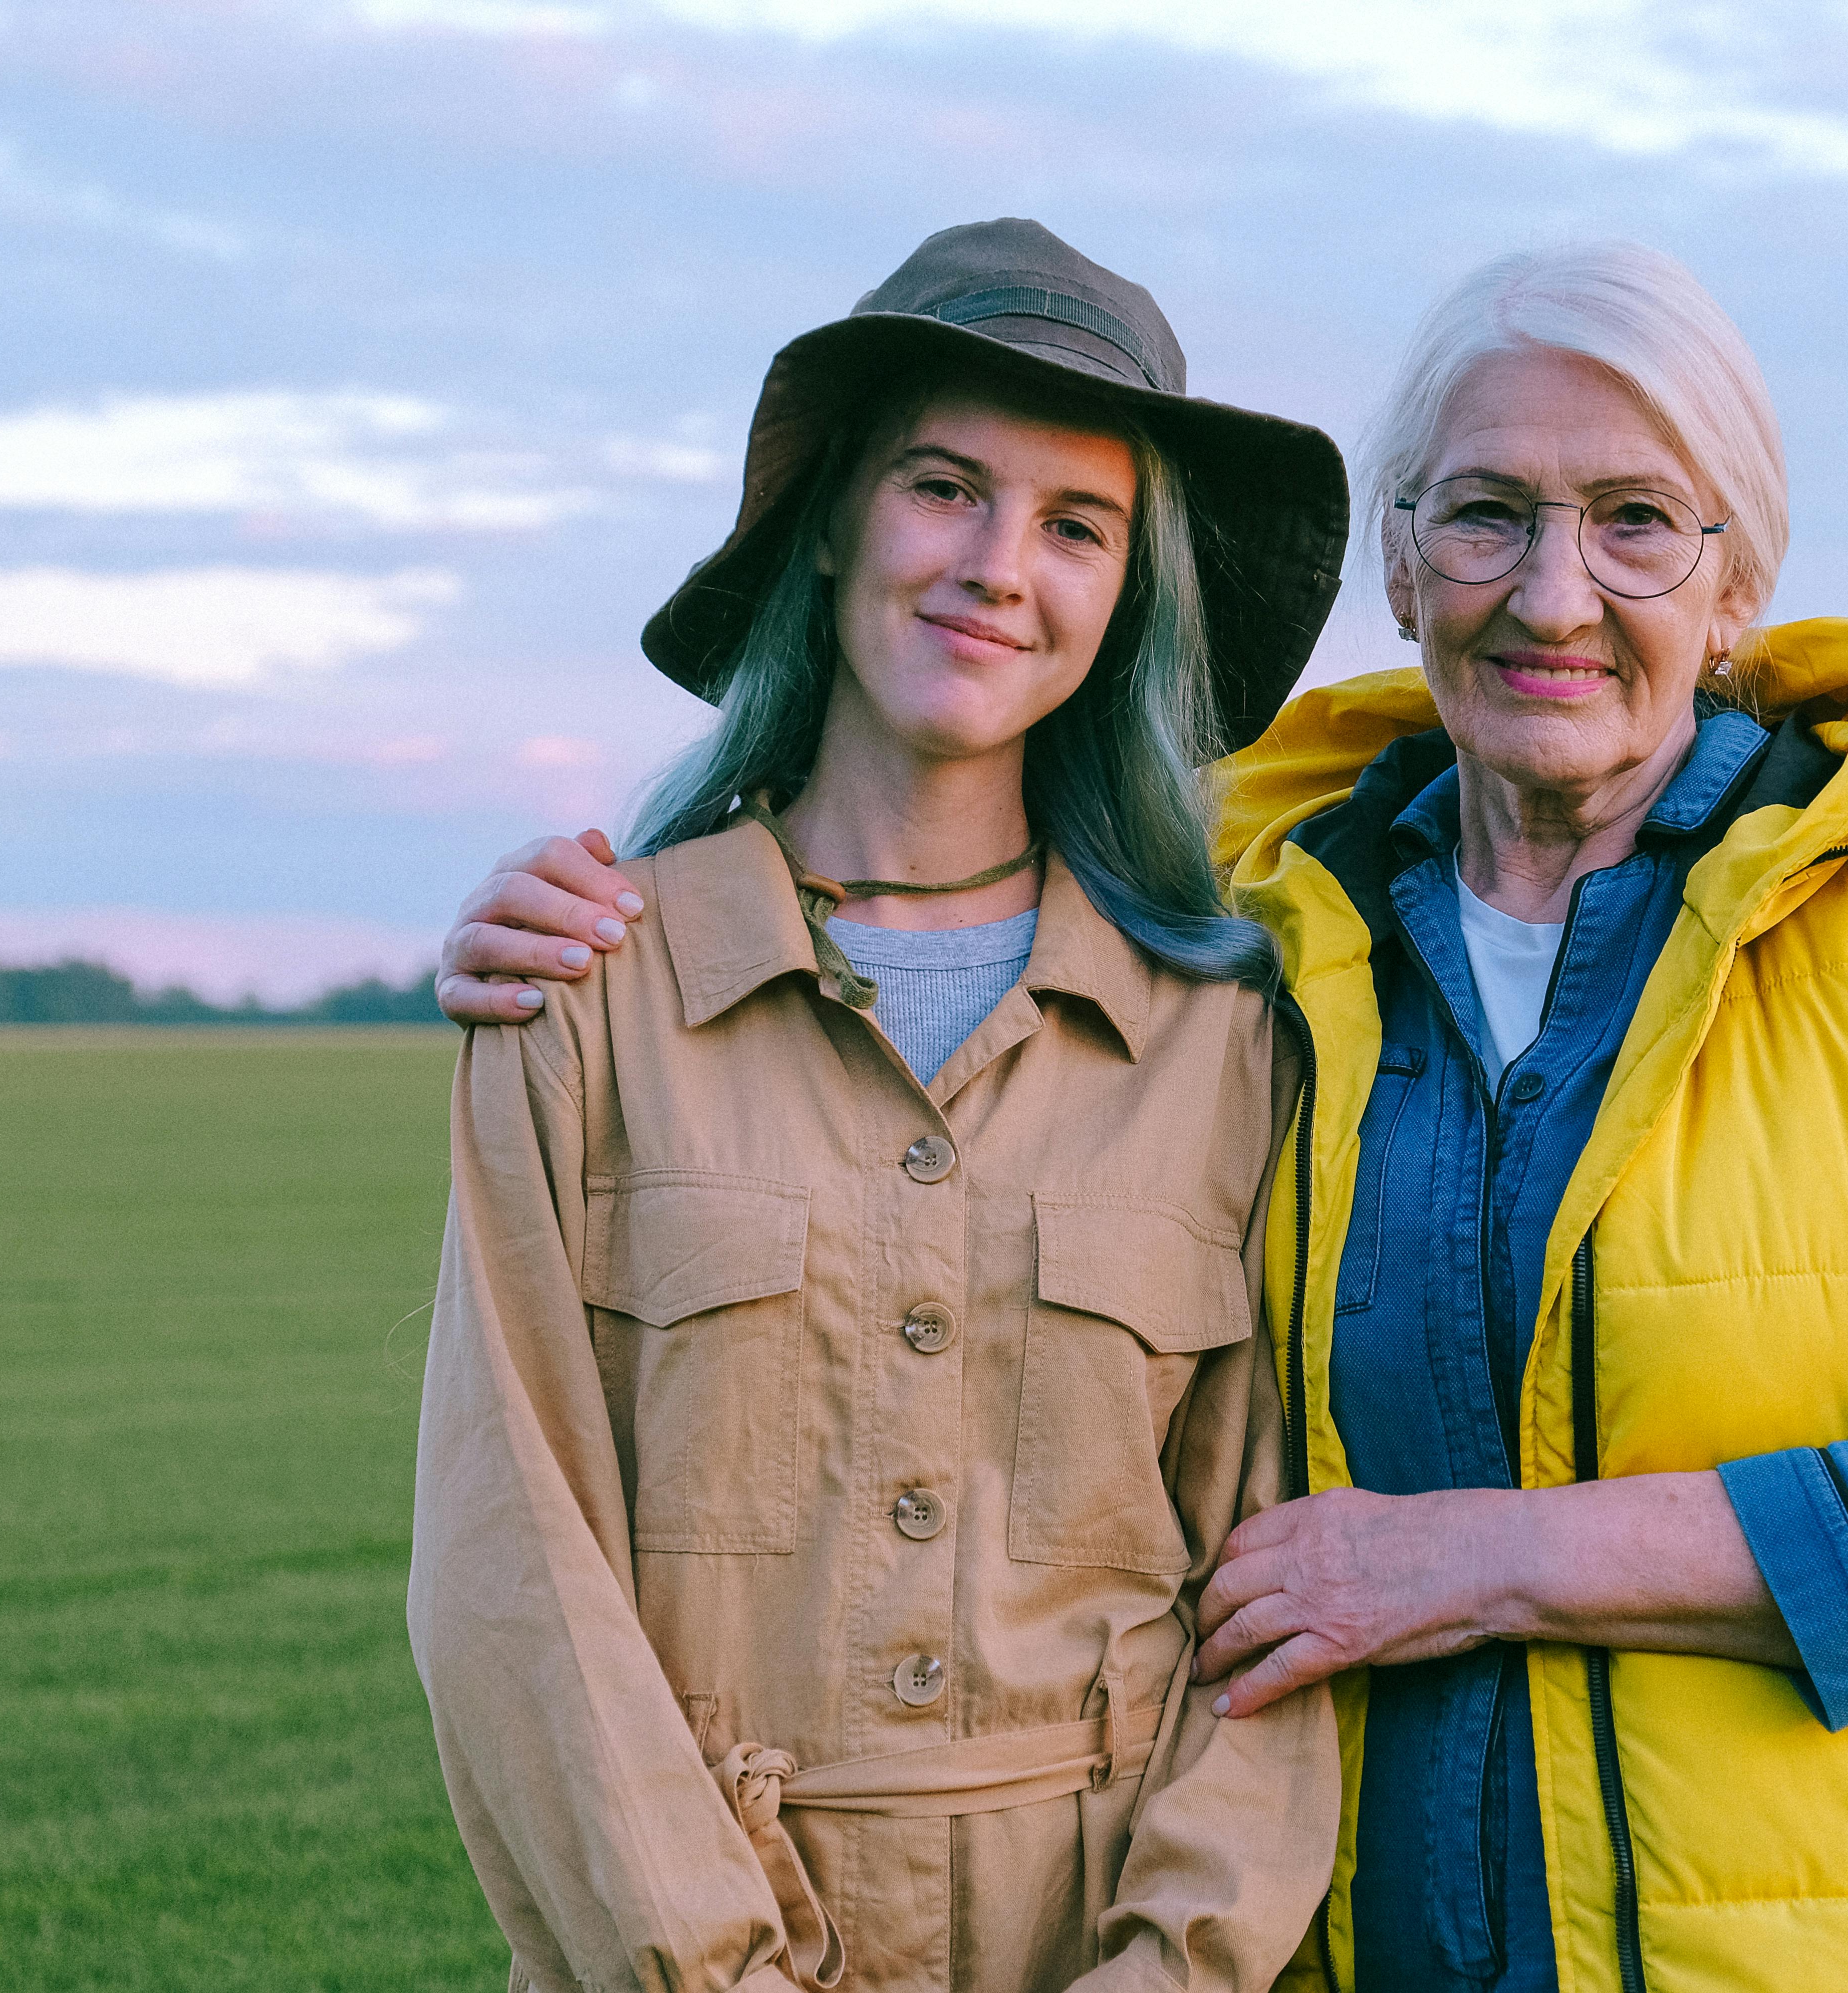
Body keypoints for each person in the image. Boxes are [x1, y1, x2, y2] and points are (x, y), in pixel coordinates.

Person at [440, 241, 1848, 1993]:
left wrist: (1473, 1562)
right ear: (1403, 571)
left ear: (1738, 588)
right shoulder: (1287, 951)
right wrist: (584, 933)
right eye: (1487, 515)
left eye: (1639, 521)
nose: (1555, 595)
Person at [408, 218, 1349, 1993]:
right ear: (834, 516)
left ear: (1131, 598)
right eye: (945, 487)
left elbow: (1278, 1590)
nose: (1002, 566)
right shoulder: (583, 1001)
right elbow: (505, 1570)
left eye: (1079, 525)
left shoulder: (1234, 1044)